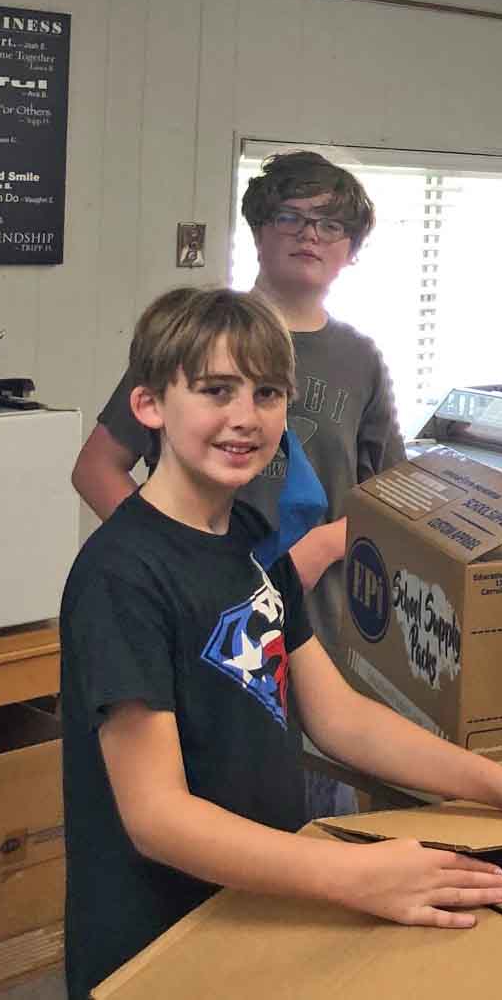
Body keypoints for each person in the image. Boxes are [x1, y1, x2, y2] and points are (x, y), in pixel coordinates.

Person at [59, 287, 502, 1000]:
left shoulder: (251, 544)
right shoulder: (121, 576)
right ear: (149, 405)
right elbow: (158, 817)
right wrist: (357, 875)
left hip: (258, 912)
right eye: (216, 390)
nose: (245, 417)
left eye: (267, 393)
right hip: (156, 946)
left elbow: (338, 716)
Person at [72, 150, 400, 816]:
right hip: (203, 639)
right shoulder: (199, 337)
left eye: (331, 224)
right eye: (291, 217)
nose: (310, 235)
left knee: (308, 808)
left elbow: (394, 497)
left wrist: (318, 551)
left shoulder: (359, 358)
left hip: (313, 635)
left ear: (352, 249)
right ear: (257, 229)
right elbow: (96, 468)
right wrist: (183, 564)